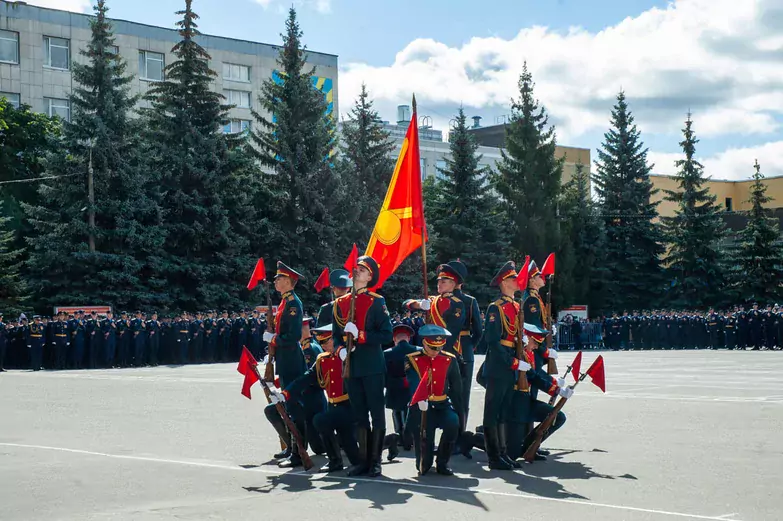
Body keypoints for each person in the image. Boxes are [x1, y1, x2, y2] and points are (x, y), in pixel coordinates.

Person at [332, 255, 393, 477]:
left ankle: (376, 461)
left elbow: (386, 334)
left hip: (372, 366)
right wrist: (340, 351)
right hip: (352, 367)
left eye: (363, 269)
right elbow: (336, 337)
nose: (357, 271)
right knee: (359, 415)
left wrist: (362, 335)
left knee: (376, 414)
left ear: (369, 277)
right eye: (356, 268)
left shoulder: (377, 302)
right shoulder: (339, 303)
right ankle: (363, 460)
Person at [271, 323, 360, 473]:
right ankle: (335, 461)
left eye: (327, 341)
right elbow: (306, 378)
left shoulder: (348, 356)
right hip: (333, 406)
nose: (324, 346)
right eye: (322, 342)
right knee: (347, 443)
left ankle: (337, 461)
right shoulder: (322, 359)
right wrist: (285, 394)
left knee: (327, 425)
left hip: (350, 405)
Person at [480, 261, 529, 470]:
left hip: (511, 362)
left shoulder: (516, 306)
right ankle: (493, 456)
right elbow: (492, 340)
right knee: (492, 411)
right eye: (513, 278)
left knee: (503, 411)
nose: (517, 281)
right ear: (504, 282)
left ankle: (502, 453)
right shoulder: (496, 308)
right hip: (500, 364)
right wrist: (513, 362)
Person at [262, 262, 309, 468]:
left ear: (289, 282)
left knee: (293, 405)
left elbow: (293, 336)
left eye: (280, 279)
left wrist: (273, 340)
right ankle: (292, 447)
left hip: (291, 358)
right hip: (284, 358)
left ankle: (299, 452)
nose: (276, 281)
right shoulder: (284, 303)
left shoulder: (293, 304)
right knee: (286, 405)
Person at [405, 324, 464, 476]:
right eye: (432, 347)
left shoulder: (449, 359)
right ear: (424, 343)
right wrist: (419, 399)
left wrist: (460, 411)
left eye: (439, 348)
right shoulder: (412, 359)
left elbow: (456, 387)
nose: (436, 352)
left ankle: (443, 462)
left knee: (453, 423)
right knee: (425, 438)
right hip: (423, 405)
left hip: (442, 404)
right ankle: (426, 461)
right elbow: (412, 382)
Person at [383, 323, 418, 459]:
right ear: (408, 338)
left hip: (394, 387)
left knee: (397, 412)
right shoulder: (418, 350)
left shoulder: (386, 353)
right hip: (413, 388)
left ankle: (400, 438)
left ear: (395, 339)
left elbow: (384, 375)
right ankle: (412, 437)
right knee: (413, 413)